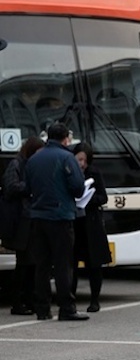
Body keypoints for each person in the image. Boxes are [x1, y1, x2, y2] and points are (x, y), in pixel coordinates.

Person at [25, 122, 87, 321]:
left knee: (42, 265)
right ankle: (66, 308)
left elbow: (27, 187)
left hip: (38, 216)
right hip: (60, 216)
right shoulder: (66, 157)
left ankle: (42, 308)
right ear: (66, 139)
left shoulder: (34, 159)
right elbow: (78, 187)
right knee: (63, 264)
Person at [1, 136, 44, 315]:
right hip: (20, 219)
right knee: (23, 263)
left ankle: (28, 299)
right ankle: (18, 302)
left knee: (31, 262)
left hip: (30, 217)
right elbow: (10, 187)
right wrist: (30, 187)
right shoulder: (17, 164)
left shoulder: (30, 165)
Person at [71, 142, 111, 313]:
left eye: (84, 160)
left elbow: (103, 197)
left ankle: (94, 299)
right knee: (71, 264)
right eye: (78, 159)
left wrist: (89, 199)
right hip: (73, 222)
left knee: (94, 264)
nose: (81, 164)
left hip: (90, 223)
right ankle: (70, 298)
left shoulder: (94, 173)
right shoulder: (68, 171)